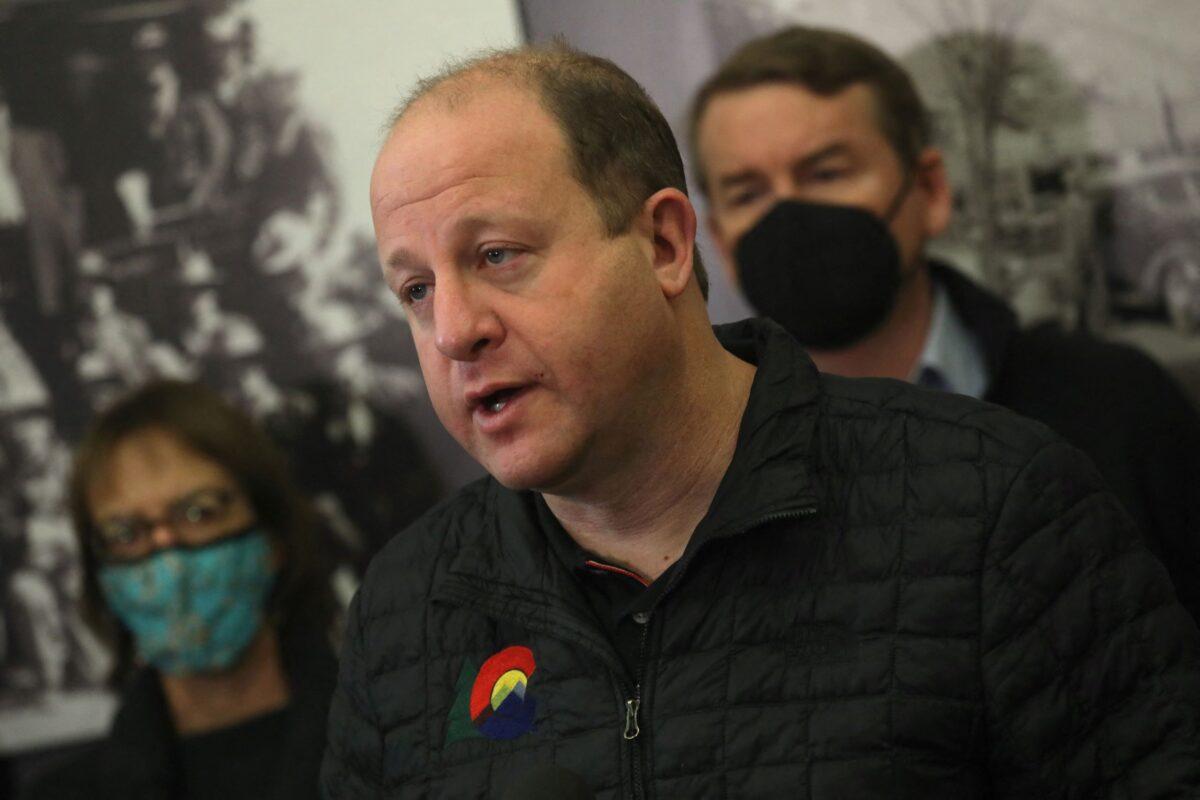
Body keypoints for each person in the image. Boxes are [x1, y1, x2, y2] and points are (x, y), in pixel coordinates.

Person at [321, 44, 1200, 797]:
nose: (453, 329)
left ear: (664, 246)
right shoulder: (405, 613)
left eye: (498, 255)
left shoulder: (996, 510)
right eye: (415, 288)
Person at [687, 25, 1200, 624]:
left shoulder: (1116, 407)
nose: (790, 214)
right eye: (747, 193)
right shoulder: (707, 475)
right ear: (720, 241)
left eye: (827, 173)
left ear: (928, 190)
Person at [27, 380, 337, 800]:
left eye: (199, 512)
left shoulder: (409, 743)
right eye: (124, 533)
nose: (166, 555)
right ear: (101, 575)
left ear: (273, 537)